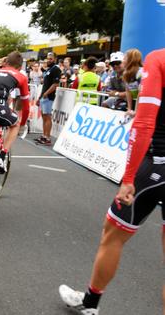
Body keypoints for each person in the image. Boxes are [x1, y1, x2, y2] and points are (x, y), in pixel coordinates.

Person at [59, 48, 165, 315]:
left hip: (156, 165)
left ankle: (90, 304)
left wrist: (128, 177)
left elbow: (145, 122)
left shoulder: (159, 58)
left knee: (112, 235)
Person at [35, 52, 61, 146]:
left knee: (47, 117)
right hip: (43, 96)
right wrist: (40, 97)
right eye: (48, 58)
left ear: (55, 59)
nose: (48, 60)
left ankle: (47, 138)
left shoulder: (56, 69)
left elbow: (55, 84)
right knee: (43, 117)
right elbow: (45, 85)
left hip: (49, 97)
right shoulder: (49, 69)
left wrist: (46, 94)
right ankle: (44, 136)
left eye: (51, 58)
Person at [122, 48, 143, 115]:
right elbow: (128, 91)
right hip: (134, 101)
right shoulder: (126, 73)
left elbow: (141, 92)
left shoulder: (141, 72)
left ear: (131, 60)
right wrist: (129, 109)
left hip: (142, 103)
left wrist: (136, 111)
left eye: (124, 58)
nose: (123, 61)